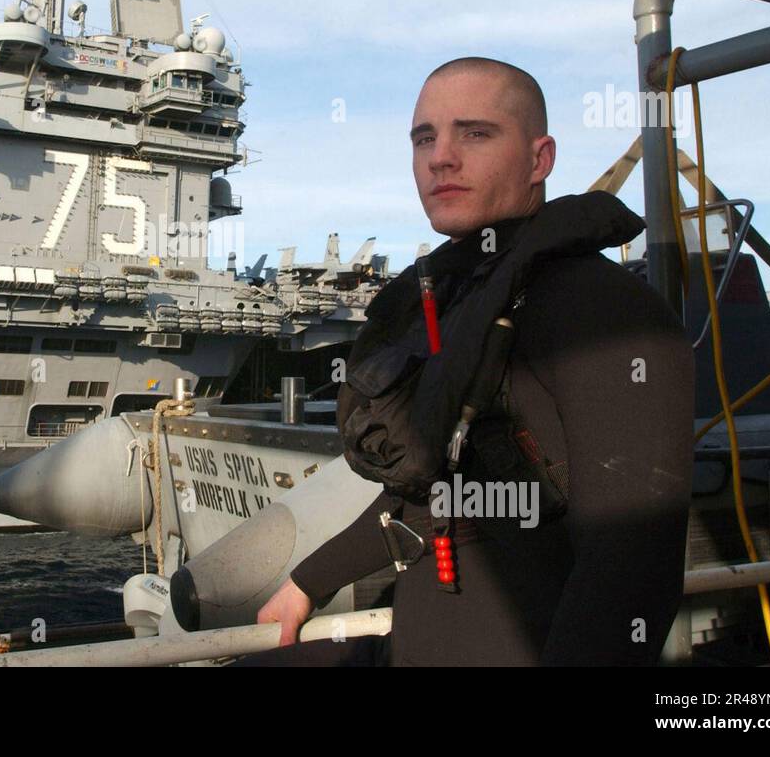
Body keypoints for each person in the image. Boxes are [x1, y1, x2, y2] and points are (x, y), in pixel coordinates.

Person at [239, 57, 694, 666]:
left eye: (474, 133)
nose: (440, 157)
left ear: (540, 160)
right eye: (424, 138)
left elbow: (632, 569)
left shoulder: (605, 313)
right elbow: (443, 497)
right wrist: (308, 582)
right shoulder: (461, 307)